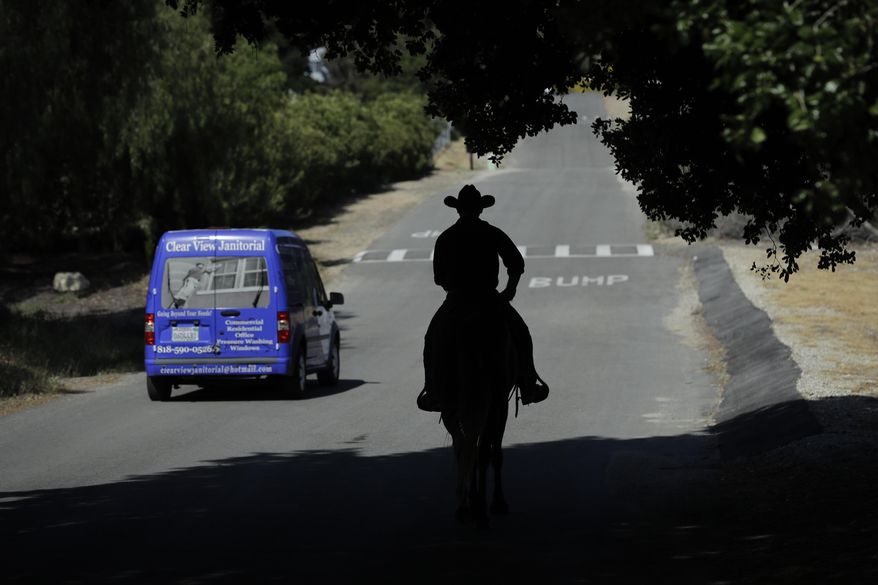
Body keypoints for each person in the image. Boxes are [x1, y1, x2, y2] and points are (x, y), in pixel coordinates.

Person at [417, 184, 548, 412]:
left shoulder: (446, 237)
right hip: (489, 298)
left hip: (456, 299)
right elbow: (516, 263)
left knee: (432, 339)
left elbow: (439, 278)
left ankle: (433, 391)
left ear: (458, 210)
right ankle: (528, 385)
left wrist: (454, 285)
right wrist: (510, 290)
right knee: (521, 332)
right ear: (480, 210)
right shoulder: (492, 233)